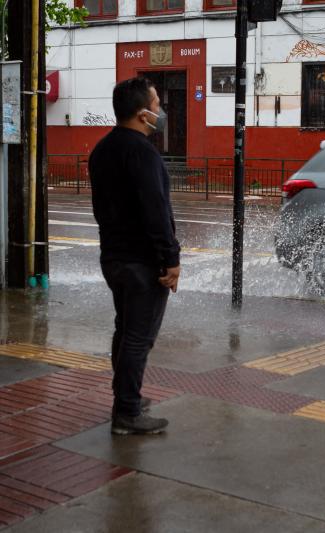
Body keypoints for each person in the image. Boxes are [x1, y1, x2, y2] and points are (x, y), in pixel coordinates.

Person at [89, 77, 181, 435]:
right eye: (157, 104)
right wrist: (170, 259)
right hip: (143, 262)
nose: (160, 111)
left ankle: (125, 398)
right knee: (138, 338)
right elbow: (155, 211)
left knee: (125, 330)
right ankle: (127, 412)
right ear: (143, 114)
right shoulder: (143, 153)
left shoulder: (103, 149)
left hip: (113, 257)